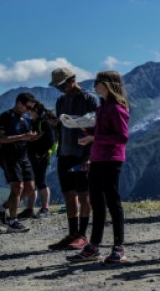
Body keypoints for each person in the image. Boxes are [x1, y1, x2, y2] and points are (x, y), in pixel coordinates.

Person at [67, 71, 130, 264]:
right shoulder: (102, 108)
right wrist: (83, 129)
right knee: (97, 202)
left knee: (112, 201)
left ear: (109, 84)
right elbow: (102, 132)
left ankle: (118, 246)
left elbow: (122, 138)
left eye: (98, 82)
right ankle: (94, 246)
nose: (94, 86)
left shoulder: (117, 109)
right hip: (97, 158)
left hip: (111, 159)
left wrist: (94, 138)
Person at [48, 67, 99, 250]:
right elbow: (61, 128)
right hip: (65, 152)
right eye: (57, 87)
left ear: (72, 79)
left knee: (84, 194)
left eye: (62, 85)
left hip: (82, 153)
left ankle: (82, 235)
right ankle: (72, 233)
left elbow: (95, 127)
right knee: (69, 194)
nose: (60, 90)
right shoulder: (61, 101)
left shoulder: (89, 99)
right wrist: (55, 125)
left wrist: (88, 155)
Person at [0, 92, 39, 232]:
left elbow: (23, 137)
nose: (29, 110)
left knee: (29, 187)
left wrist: (31, 138)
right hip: (9, 156)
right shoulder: (6, 116)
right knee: (17, 187)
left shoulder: (25, 118)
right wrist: (22, 136)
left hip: (23, 156)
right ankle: (13, 221)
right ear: (19, 103)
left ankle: (1, 209)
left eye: (31, 108)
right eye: (28, 107)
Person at [20, 101, 57, 218]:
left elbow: (51, 141)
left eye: (29, 110)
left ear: (35, 110)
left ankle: (45, 209)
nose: (28, 112)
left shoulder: (44, 122)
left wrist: (41, 154)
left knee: (41, 181)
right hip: (32, 156)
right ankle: (30, 209)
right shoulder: (33, 122)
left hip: (42, 156)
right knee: (32, 182)